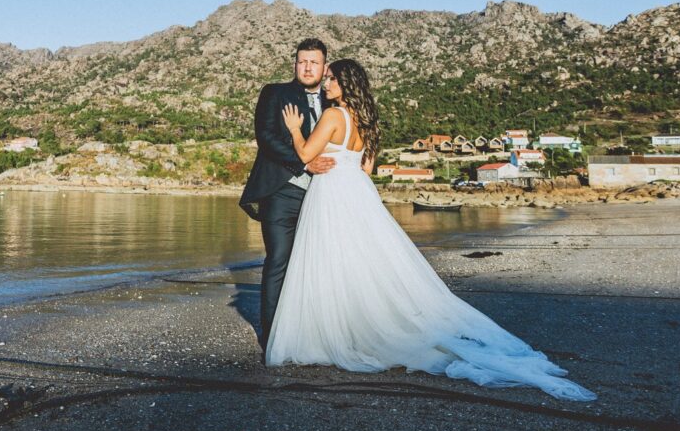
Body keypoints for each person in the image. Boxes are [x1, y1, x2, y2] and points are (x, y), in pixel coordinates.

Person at [266, 58, 597, 402]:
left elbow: (305, 152)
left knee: (334, 261)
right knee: (363, 262)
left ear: (347, 83)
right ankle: (355, 324)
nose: (326, 83)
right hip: (358, 191)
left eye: (332, 78)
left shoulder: (333, 115)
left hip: (333, 191)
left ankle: (339, 330)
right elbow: (367, 167)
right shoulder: (364, 121)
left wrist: (294, 127)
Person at [240, 39, 372, 353]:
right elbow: (267, 138)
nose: (307, 67)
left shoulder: (334, 101)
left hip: (325, 198)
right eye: (302, 62)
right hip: (283, 192)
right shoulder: (274, 93)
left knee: (320, 265)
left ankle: (314, 331)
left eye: (314, 62)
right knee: (279, 262)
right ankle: (273, 338)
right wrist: (304, 160)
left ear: (325, 66)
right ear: (295, 64)